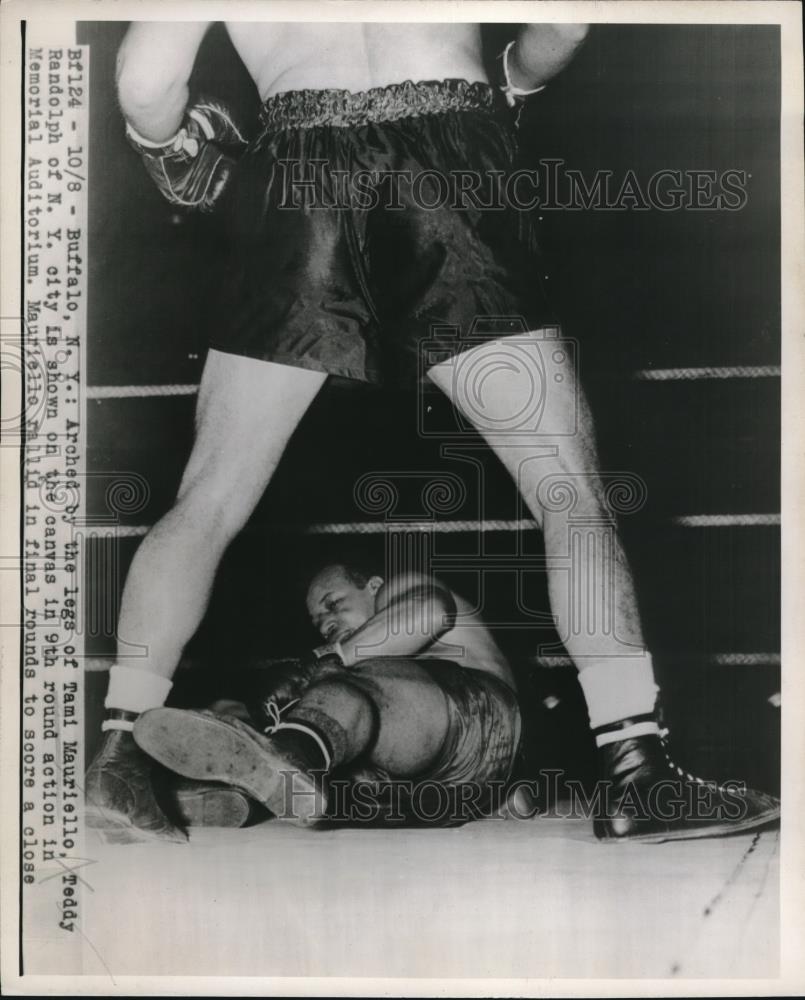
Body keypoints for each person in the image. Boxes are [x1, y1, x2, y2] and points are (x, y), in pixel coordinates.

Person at [86, 20, 779, 843]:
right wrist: (512, 82)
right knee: (566, 494)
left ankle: (119, 755)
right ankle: (634, 771)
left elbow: (142, 80)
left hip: (294, 170)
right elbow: (564, 20)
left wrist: (165, 144)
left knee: (206, 502)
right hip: (447, 158)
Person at [133, 561, 522, 828]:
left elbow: (429, 614)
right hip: (430, 796)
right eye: (318, 622)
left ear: (373, 587)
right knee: (297, 717)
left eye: (334, 604)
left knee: (338, 683)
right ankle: (236, 794)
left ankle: (287, 755)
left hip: (479, 724)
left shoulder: (402, 587)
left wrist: (321, 661)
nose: (327, 622)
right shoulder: (361, 656)